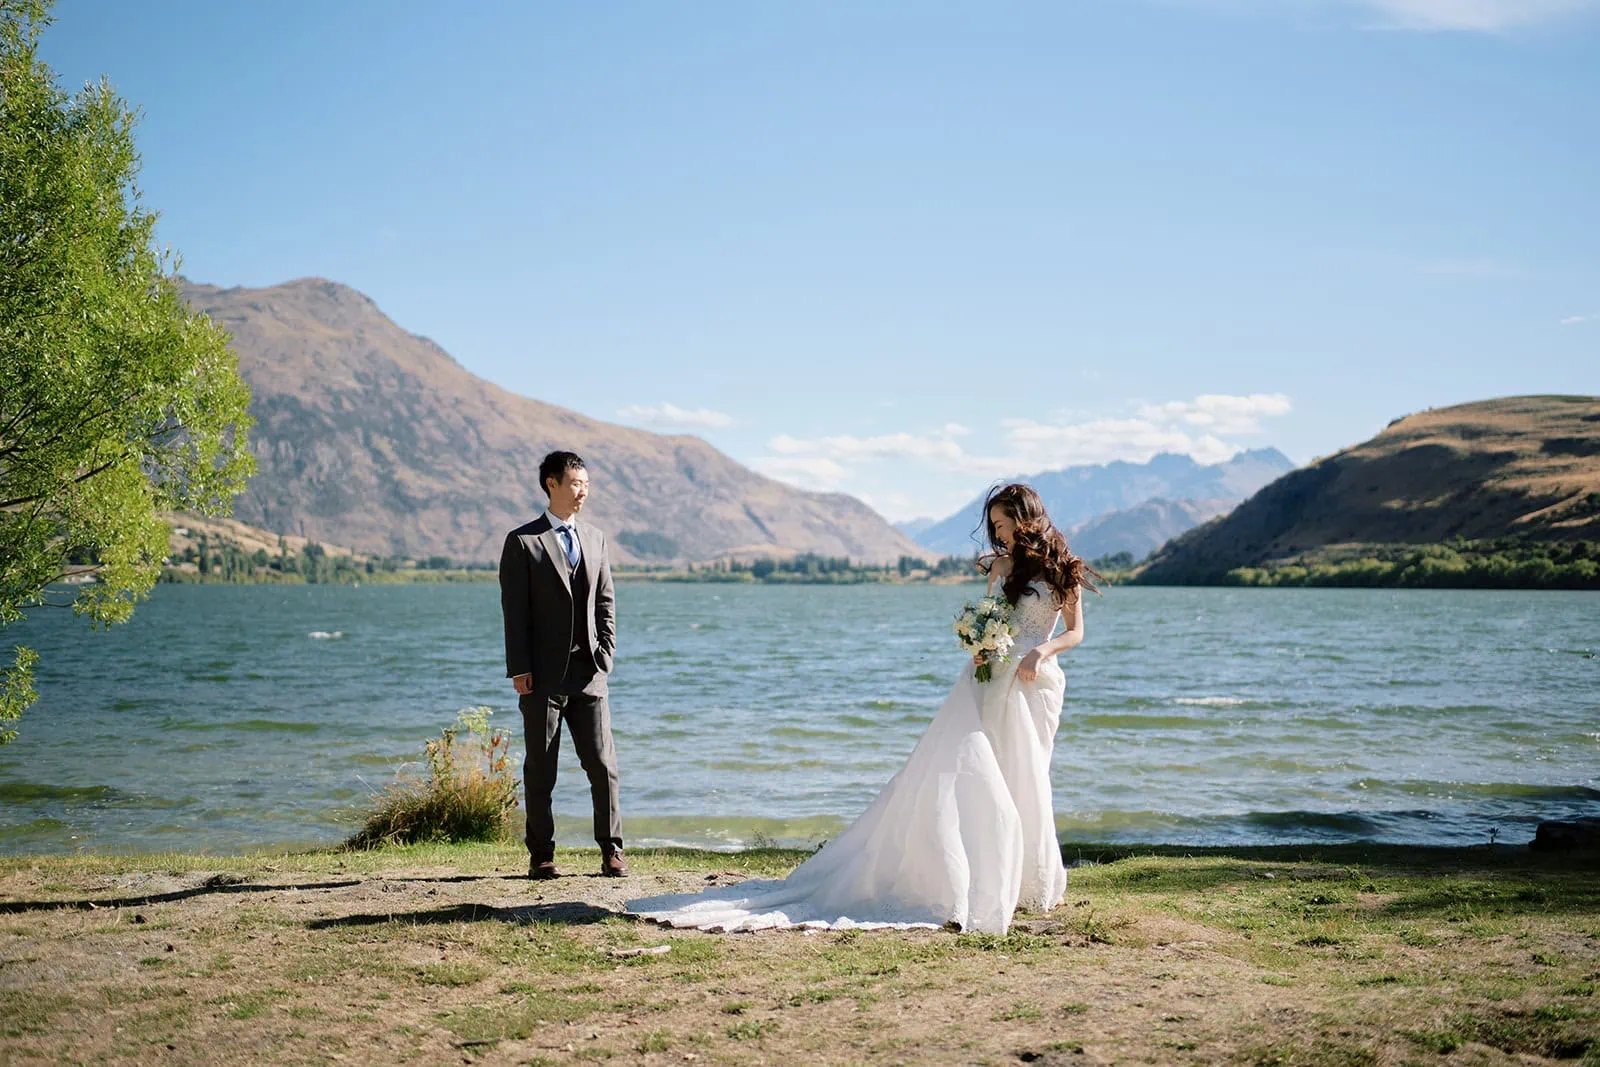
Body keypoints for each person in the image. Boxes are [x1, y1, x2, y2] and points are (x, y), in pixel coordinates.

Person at [627, 482, 1095, 932]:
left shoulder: (1063, 569)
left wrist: (1042, 651)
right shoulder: (997, 567)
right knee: (972, 771)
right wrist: (981, 646)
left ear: (1026, 519)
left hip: (1035, 681)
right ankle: (975, 874)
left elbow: (1074, 632)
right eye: (993, 525)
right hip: (987, 679)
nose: (999, 533)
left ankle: (1026, 881)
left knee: (1026, 775)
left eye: (1004, 523)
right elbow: (992, 619)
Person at [498, 450, 625, 879]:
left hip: (589, 673)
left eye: (586, 484)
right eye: (575, 483)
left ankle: (612, 850)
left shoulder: (595, 537)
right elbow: (513, 612)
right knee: (541, 768)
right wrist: (520, 668)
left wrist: (605, 652)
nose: (582, 491)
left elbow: (605, 601)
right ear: (551, 483)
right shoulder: (522, 542)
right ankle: (541, 854)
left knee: (603, 765)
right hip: (541, 676)